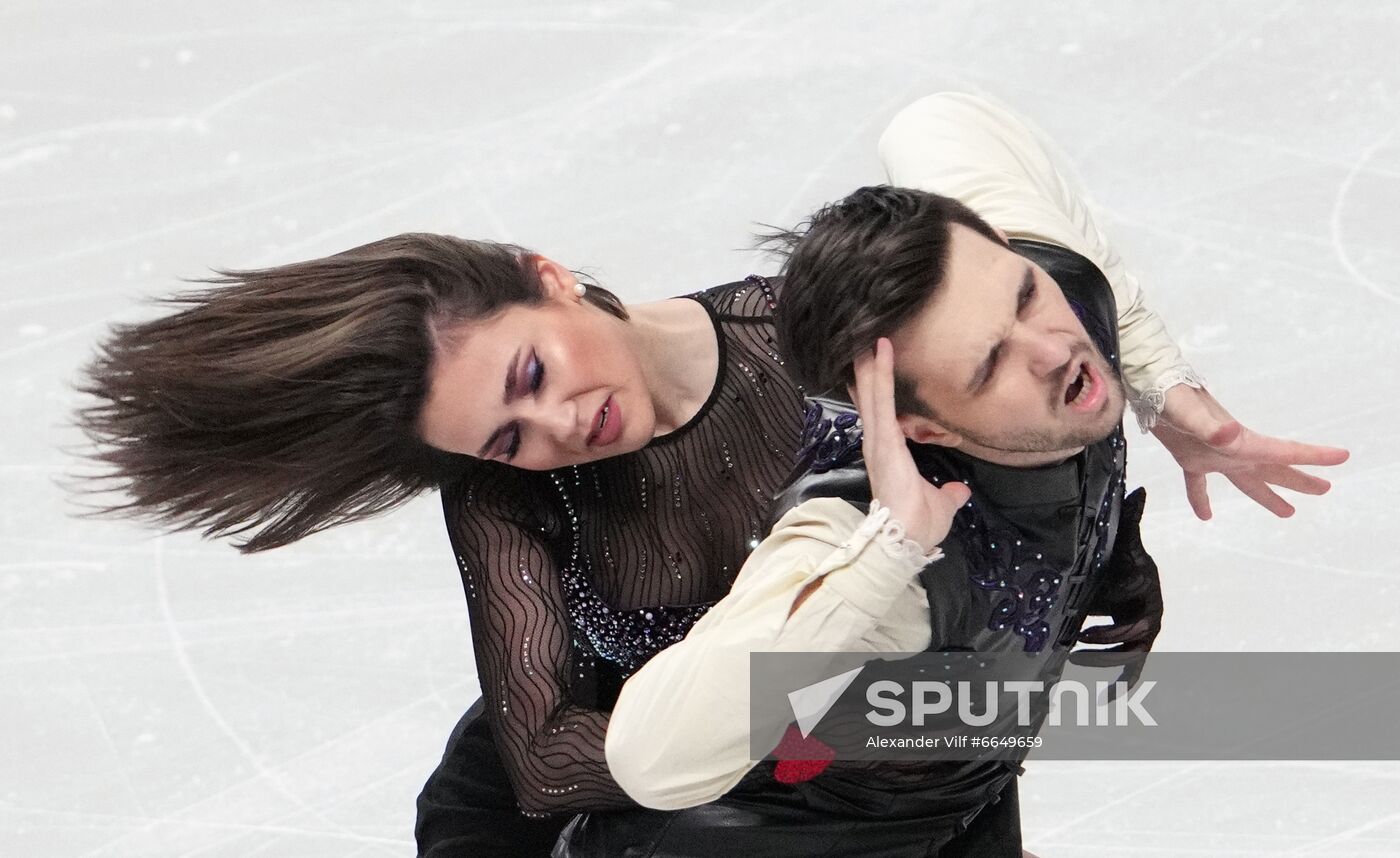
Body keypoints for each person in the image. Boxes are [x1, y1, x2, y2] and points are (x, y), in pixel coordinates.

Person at [65, 92, 1346, 858]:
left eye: (527, 377)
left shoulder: (804, 344)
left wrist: (1134, 461)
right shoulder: (511, 500)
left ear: (549, 276)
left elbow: (1025, 305)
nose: (557, 425)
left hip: (879, 790)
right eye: (505, 434)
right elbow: (553, 762)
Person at [567, 177, 1346, 856]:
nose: (1051, 348)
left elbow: (945, 119)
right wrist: (890, 546)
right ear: (925, 430)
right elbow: (648, 757)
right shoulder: (861, 542)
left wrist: (1169, 396)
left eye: (1022, 292)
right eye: (988, 363)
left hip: (947, 818)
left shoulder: (1063, 293)